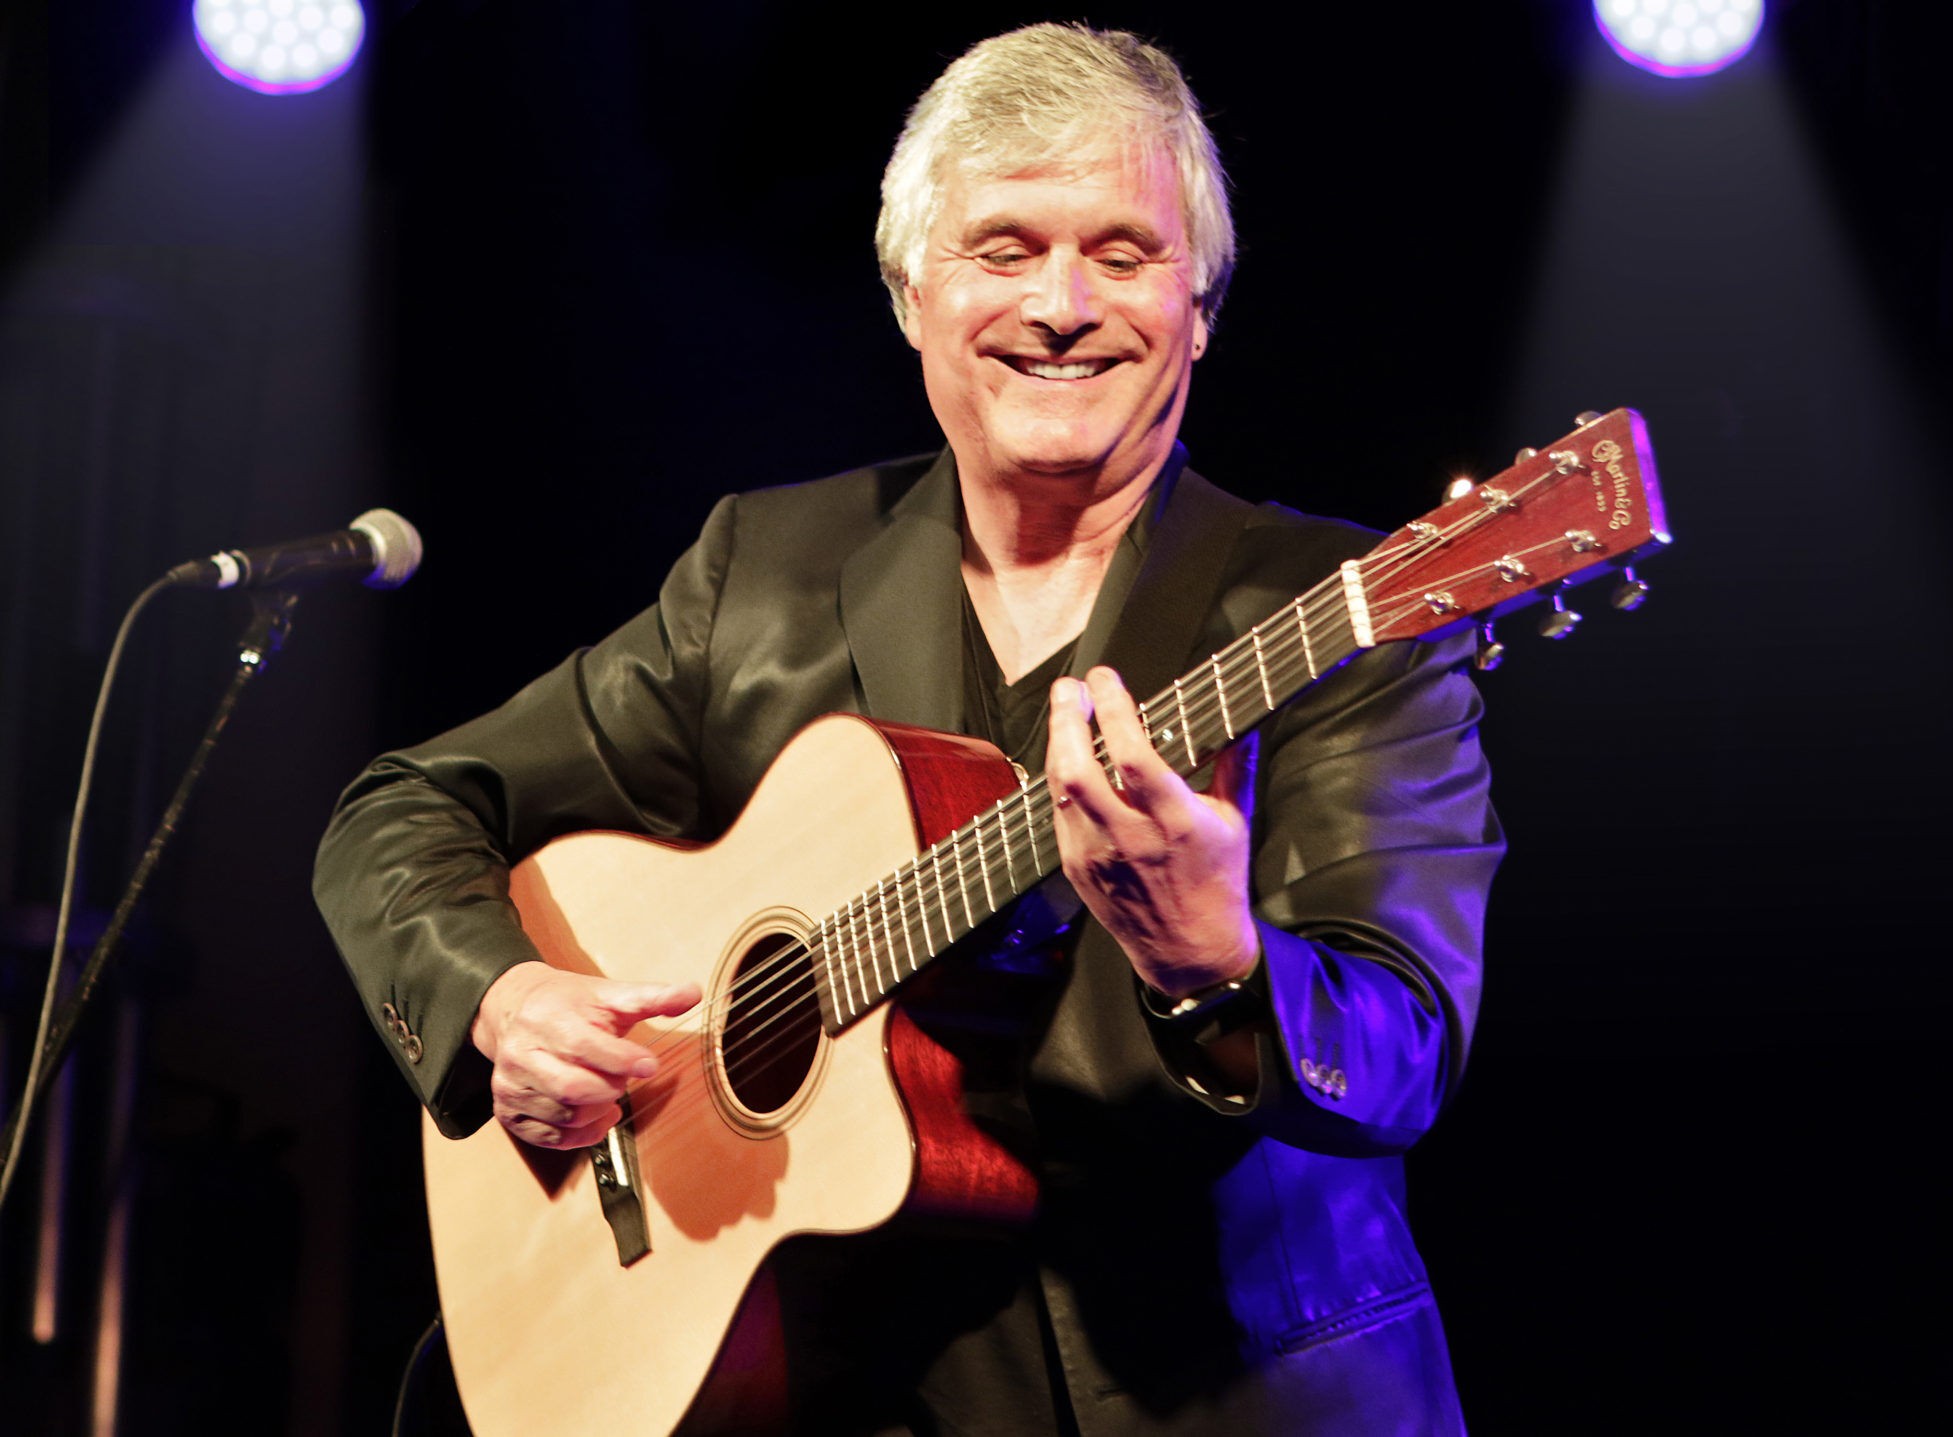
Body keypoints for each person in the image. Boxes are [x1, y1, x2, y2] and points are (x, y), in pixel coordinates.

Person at [315, 22, 1502, 1436]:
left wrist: (1214, 961)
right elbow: (402, 808)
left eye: (1124, 253)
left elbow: (1402, 1048)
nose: (1063, 304)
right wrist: (500, 998)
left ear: (1202, 306)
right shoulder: (762, 576)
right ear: (908, 294)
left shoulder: (1340, 612)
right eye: (1003, 250)